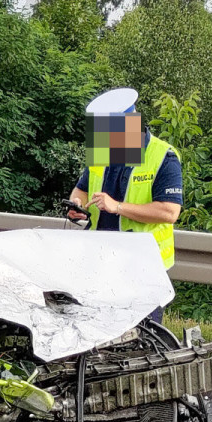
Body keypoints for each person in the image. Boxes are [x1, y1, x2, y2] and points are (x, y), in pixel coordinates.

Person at [66, 87, 183, 322]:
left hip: (143, 267)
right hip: (100, 261)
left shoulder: (163, 157)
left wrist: (117, 206)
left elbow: (170, 212)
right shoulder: (103, 150)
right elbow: (81, 189)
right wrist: (77, 205)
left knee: (143, 338)